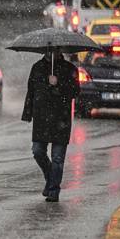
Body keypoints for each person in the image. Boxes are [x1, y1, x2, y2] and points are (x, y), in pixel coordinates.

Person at [22, 50, 79, 202]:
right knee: (37, 151)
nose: (52, 53)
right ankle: (50, 179)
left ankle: (54, 190)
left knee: (58, 158)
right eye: (50, 50)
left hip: (61, 118)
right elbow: (31, 91)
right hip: (41, 118)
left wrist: (58, 83)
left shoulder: (70, 69)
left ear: (61, 50)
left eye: (56, 50)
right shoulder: (37, 67)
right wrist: (27, 113)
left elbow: (75, 91)